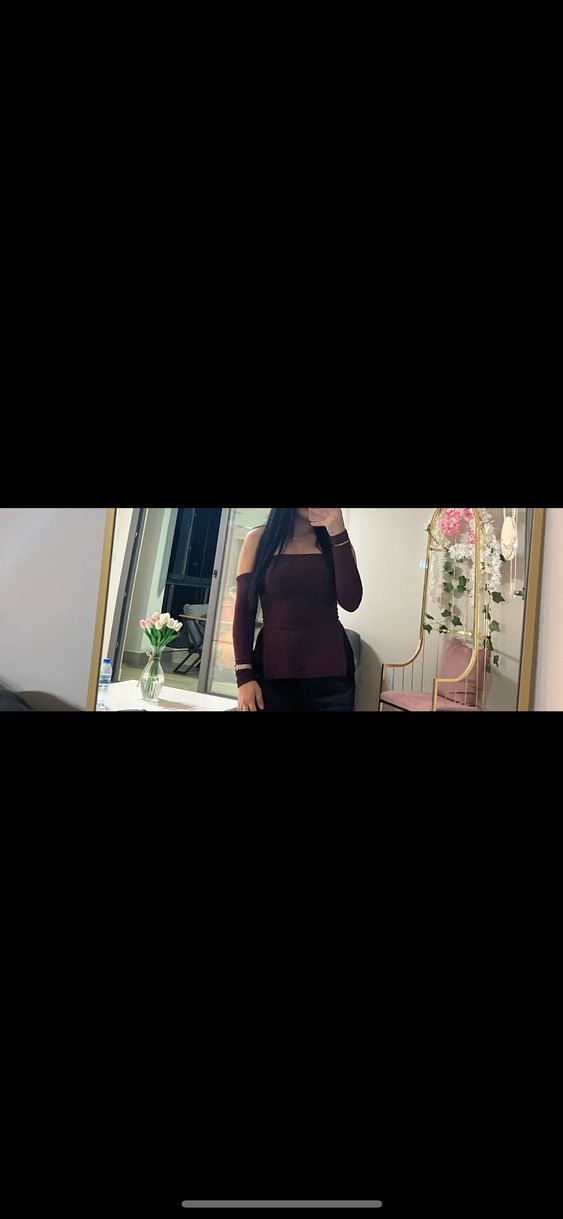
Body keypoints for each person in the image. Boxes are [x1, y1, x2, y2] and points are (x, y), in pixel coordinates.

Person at [233, 507, 363, 712]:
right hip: (272, 674)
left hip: (332, 680)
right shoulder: (258, 539)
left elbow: (351, 602)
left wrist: (339, 533)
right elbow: (244, 610)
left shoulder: (337, 543)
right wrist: (244, 676)